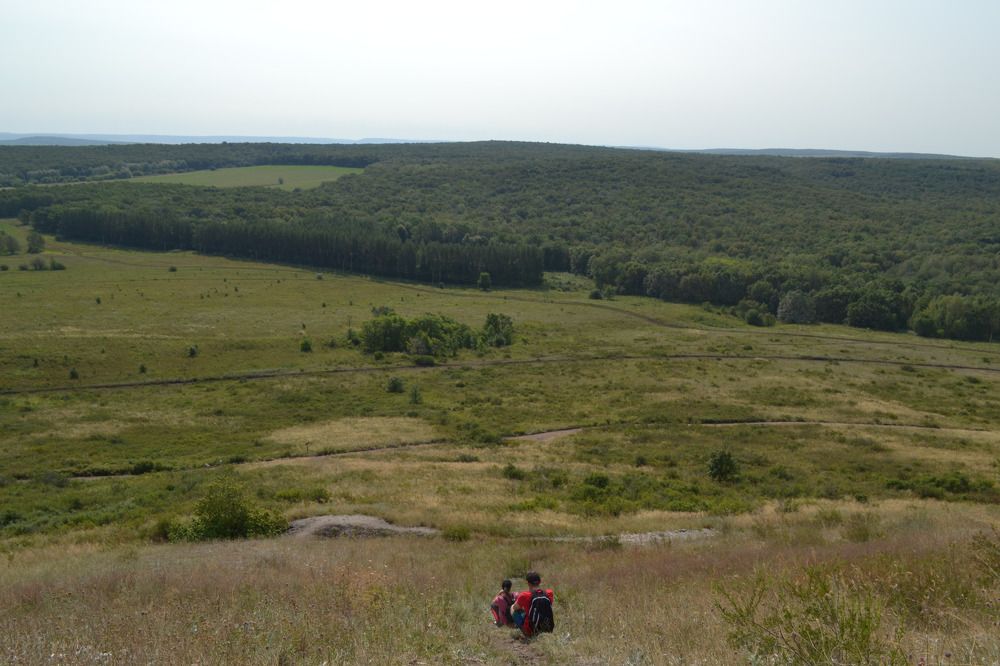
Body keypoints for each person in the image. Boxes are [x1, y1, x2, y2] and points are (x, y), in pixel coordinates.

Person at [509, 571, 554, 638]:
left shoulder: (524, 595)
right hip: (548, 629)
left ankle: (524, 632)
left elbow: (515, 608)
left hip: (531, 631)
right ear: (540, 582)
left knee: (512, 608)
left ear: (528, 583)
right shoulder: (549, 593)